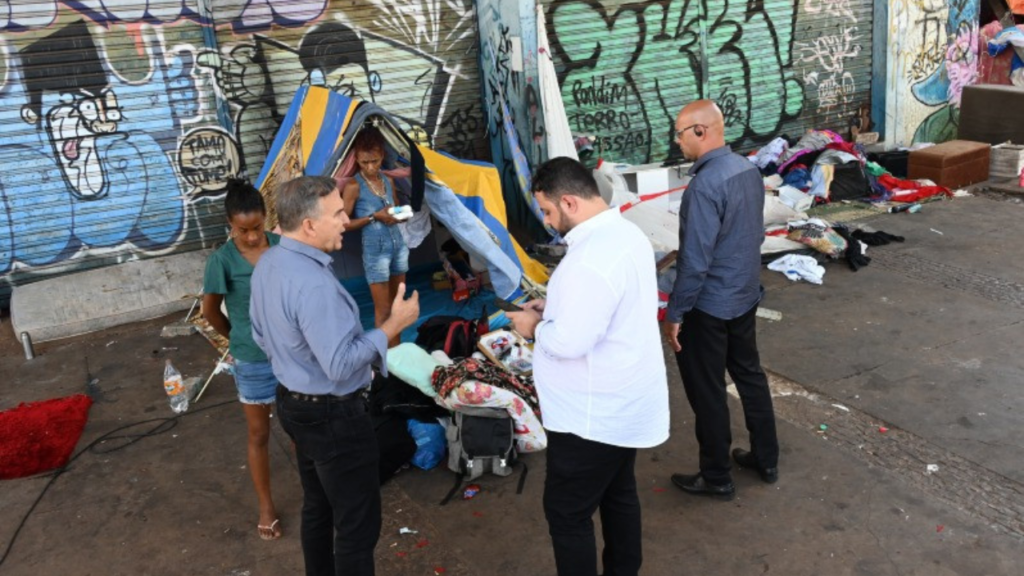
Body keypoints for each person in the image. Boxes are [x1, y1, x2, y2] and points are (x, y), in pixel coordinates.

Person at [249, 175, 420, 576]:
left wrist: (297, 365)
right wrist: (393, 325)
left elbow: (260, 335)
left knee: (318, 507)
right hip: (334, 418)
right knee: (357, 528)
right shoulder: (313, 286)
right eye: (338, 212)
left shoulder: (270, 262)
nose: (346, 219)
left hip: (294, 403)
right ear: (308, 225)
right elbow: (342, 364)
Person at [507, 157, 669, 576]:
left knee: (566, 513)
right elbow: (602, 311)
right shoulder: (626, 234)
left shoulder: (590, 259)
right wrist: (554, 306)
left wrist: (533, 325)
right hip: (621, 402)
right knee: (618, 495)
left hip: (591, 416)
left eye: (546, 211)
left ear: (569, 202)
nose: (546, 221)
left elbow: (568, 341)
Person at [663, 100, 780, 501]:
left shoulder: (704, 186)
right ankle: (766, 458)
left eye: (679, 133)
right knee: (749, 375)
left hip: (709, 306)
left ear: (700, 131)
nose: (677, 142)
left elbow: (694, 263)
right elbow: (753, 236)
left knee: (708, 389)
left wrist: (675, 314)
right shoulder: (748, 171)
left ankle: (716, 475)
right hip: (744, 295)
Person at [201, 178, 283, 541]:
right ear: (230, 226)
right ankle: (266, 505)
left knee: (301, 426)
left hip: (292, 355)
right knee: (259, 433)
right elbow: (210, 312)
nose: (251, 237)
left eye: (257, 228)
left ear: (267, 218)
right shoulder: (221, 261)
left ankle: (317, 492)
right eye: (242, 230)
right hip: (252, 359)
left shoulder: (284, 248)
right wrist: (238, 334)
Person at [341, 126, 409, 347]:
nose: (370, 167)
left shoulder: (388, 181)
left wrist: (398, 215)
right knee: (383, 310)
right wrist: (373, 217)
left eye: (375, 161)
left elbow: (398, 210)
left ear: (383, 156)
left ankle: (399, 357)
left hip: (398, 247)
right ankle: (386, 361)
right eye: (363, 162)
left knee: (399, 305)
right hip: (375, 251)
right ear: (356, 159)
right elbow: (342, 224)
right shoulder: (353, 186)